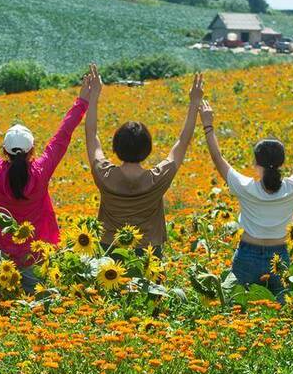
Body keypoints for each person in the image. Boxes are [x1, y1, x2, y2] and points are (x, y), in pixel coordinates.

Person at [0, 69, 93, 295]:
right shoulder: (41, 171)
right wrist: (82, 100)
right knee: (35, 304)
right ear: (32, 149)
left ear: (4, 150)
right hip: (34, 252)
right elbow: (62, 136)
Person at [199, 92, 293, 300]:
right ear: (282, 163)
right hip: (279, 256)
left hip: (247, 255)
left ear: (255, 163)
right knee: (281, 312)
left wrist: (208, 124)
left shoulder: (245, 187)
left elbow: (217, 157)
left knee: (235, 307)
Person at [84, 65, 204, 255]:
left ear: (115, 147)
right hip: (148, 251)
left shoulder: (104, 174)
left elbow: (91, 135)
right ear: (148, 149)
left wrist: (94, 95)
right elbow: (183, 141)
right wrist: (194, 103)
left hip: (110, 250)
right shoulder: (157, 178)